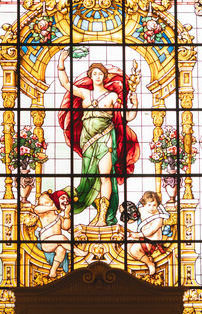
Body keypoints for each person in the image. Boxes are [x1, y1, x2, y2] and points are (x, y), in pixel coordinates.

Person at [57, 52, 140, 226]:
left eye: (100, 73)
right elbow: (65, 83)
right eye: (94, 73)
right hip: (87, 142)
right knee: (90, 179)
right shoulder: (85, 94)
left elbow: (128, 117)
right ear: (90, 76)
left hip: (105, 140)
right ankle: (98, 215)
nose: (97, 76)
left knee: (104, 177)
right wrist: (61, 62)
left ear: (104, 76)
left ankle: (103, 217)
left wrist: (135, 103)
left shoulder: (111, 97)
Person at [119, 191, 168, 276]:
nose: (152, 208)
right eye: (149, 205)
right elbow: (132, 212)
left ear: (157, 205)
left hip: (152, 242)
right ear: (144, 204)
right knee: (127, 244)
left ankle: (149, 263)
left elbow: (151, 231)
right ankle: (145, 257)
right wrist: (123, 208)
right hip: (143, 239)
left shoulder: (159, 218)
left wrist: (138, 235)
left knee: (134, 250)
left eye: (154, 205)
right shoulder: (142, 210)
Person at [34, 190, 72, 278]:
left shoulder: (59, 218)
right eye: (41, 204)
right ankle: (76, 250)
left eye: (46, 202)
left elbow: (66, 227)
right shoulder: (43, 216)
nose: (43, 205)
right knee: (61, 238)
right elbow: (36, 209)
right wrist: (54, 207)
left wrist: (66, 213)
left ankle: (53, 271)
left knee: (61, 250)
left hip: (57, 244)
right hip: (46, 244)